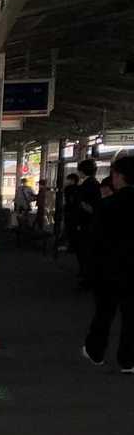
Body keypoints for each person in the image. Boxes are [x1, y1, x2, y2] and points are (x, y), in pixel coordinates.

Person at [82, 154, 134, 372]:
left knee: (104, 312)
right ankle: (128, 361)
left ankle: (95, 352)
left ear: (119, 176)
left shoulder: (107, 205)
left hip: (108, 268)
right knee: (131, 316)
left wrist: (90, 269)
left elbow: (94, 239)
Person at [73, 158, 102, 288]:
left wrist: (82, 205)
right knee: (86, 251)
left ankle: (87, 278)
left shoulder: (88, 185)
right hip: (90, 223)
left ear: (82, 171)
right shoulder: (95, 183)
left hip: (86, 223)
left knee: (85, 251)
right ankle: (86, 275)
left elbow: (87, 206)